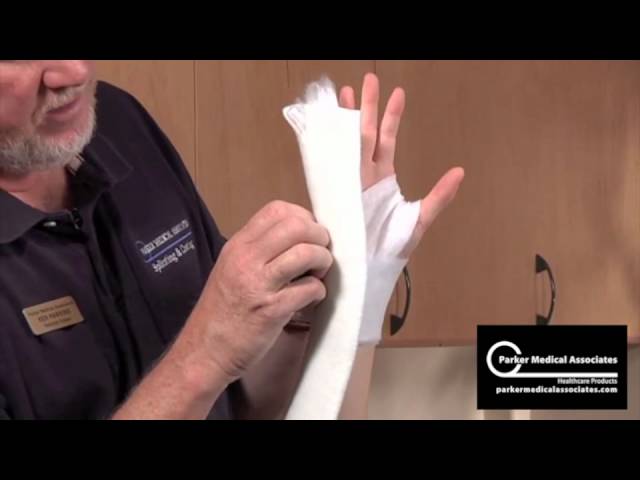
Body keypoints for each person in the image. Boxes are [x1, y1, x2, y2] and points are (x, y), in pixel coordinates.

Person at [0, 61, 464, 419]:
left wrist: (348, 294)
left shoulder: (117, 124)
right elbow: (210, 358)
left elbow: (240, 404)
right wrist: (204, 354)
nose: (74, 72)